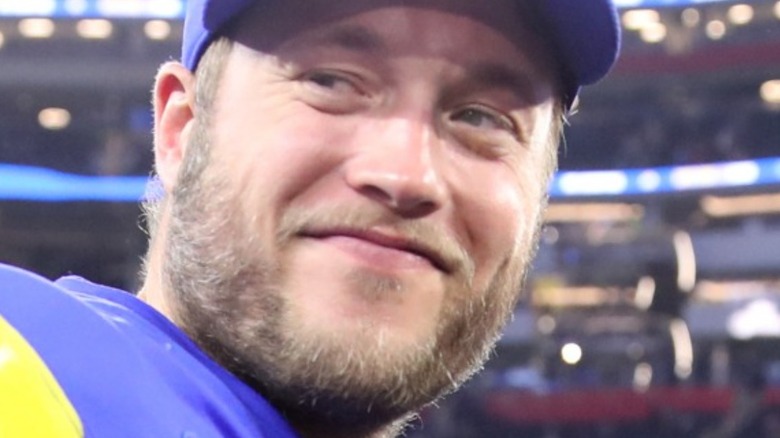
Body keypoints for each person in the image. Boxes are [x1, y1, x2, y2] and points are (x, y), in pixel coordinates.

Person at [0, 0, 620, 436]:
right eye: (331, 81)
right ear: (180, 130)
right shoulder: (28, 354)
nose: (407, 174)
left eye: (482, 119)